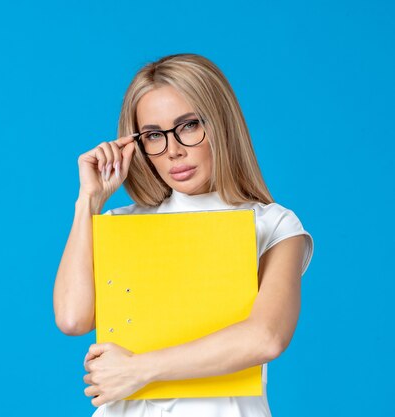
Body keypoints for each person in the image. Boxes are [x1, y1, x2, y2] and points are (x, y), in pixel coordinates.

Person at [53, 53, 314, 417]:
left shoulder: (273, 224)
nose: (173, 150)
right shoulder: (123, 223)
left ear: (221, 124)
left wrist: (136, 370)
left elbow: (265, 337)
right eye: (154, 135)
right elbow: (72, 318)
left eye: (188, 125)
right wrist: (89, 202)